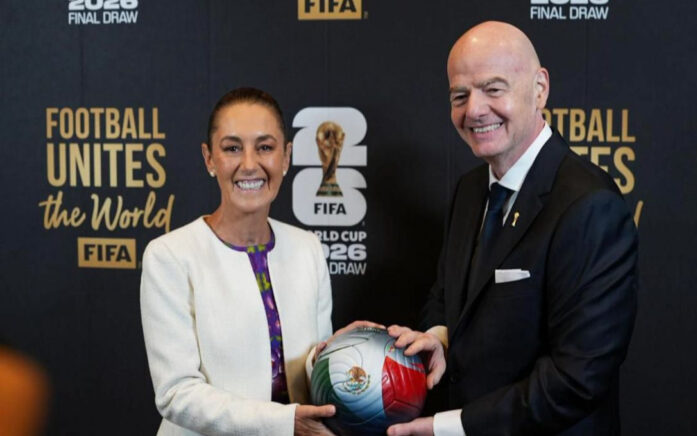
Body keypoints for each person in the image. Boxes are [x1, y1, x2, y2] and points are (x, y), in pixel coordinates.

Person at [387, 22, 638, 435]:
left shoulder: (590, 205)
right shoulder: (469, 190)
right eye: (459, 96)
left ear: (539, 89)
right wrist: (439, 338)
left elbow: (577, 379)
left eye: (493, 89)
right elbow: (447, 296)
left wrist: (452, 427)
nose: (474, 110)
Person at [140, 87, 376, 436]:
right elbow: (177, 394)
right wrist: (283, 423)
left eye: (265, 147)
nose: (250, 164)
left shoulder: (308, 247)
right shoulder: (169, 256)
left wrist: (333, 354)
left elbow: (310, 374)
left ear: (286, 156)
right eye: (232, 148)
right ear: (209, 159)